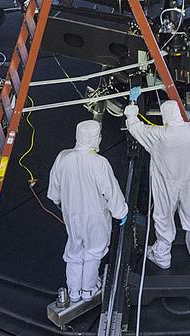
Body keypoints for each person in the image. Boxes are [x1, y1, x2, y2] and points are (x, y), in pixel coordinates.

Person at [47, 119, 128, 304]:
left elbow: (54, 188)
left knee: (74, 249)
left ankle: (74, 291)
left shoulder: (63, 157)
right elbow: (111, 191)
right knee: (93, 251)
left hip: (72, 215)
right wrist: (121, 211)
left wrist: (59, 202)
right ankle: (88, 290)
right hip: (95, 216)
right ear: (95, 138)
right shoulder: (99, 163)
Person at [124, 92, 190, 269]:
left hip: (166, 183)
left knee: (163, 217)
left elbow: (135, 127)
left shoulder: (159, 135)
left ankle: (162, 258)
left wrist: (132, 108)